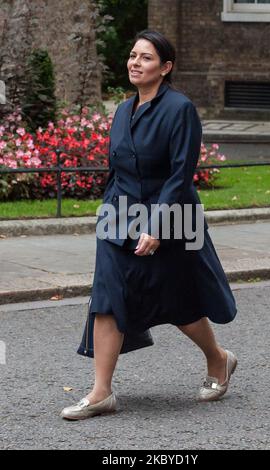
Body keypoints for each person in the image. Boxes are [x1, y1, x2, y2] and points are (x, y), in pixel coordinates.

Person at [61, 30, 238, 421]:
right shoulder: (123, 110)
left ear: (166, 67)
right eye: (132, 55)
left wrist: (157, 227)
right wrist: (107, 212)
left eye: (146, 58)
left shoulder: (180, 109)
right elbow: (118, 168)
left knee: (177, 300)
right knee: (106, 295)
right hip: (119, 217)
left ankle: (219, 359)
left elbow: (180, 174)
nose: (135, 63)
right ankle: (101, 391)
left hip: (171, 216)